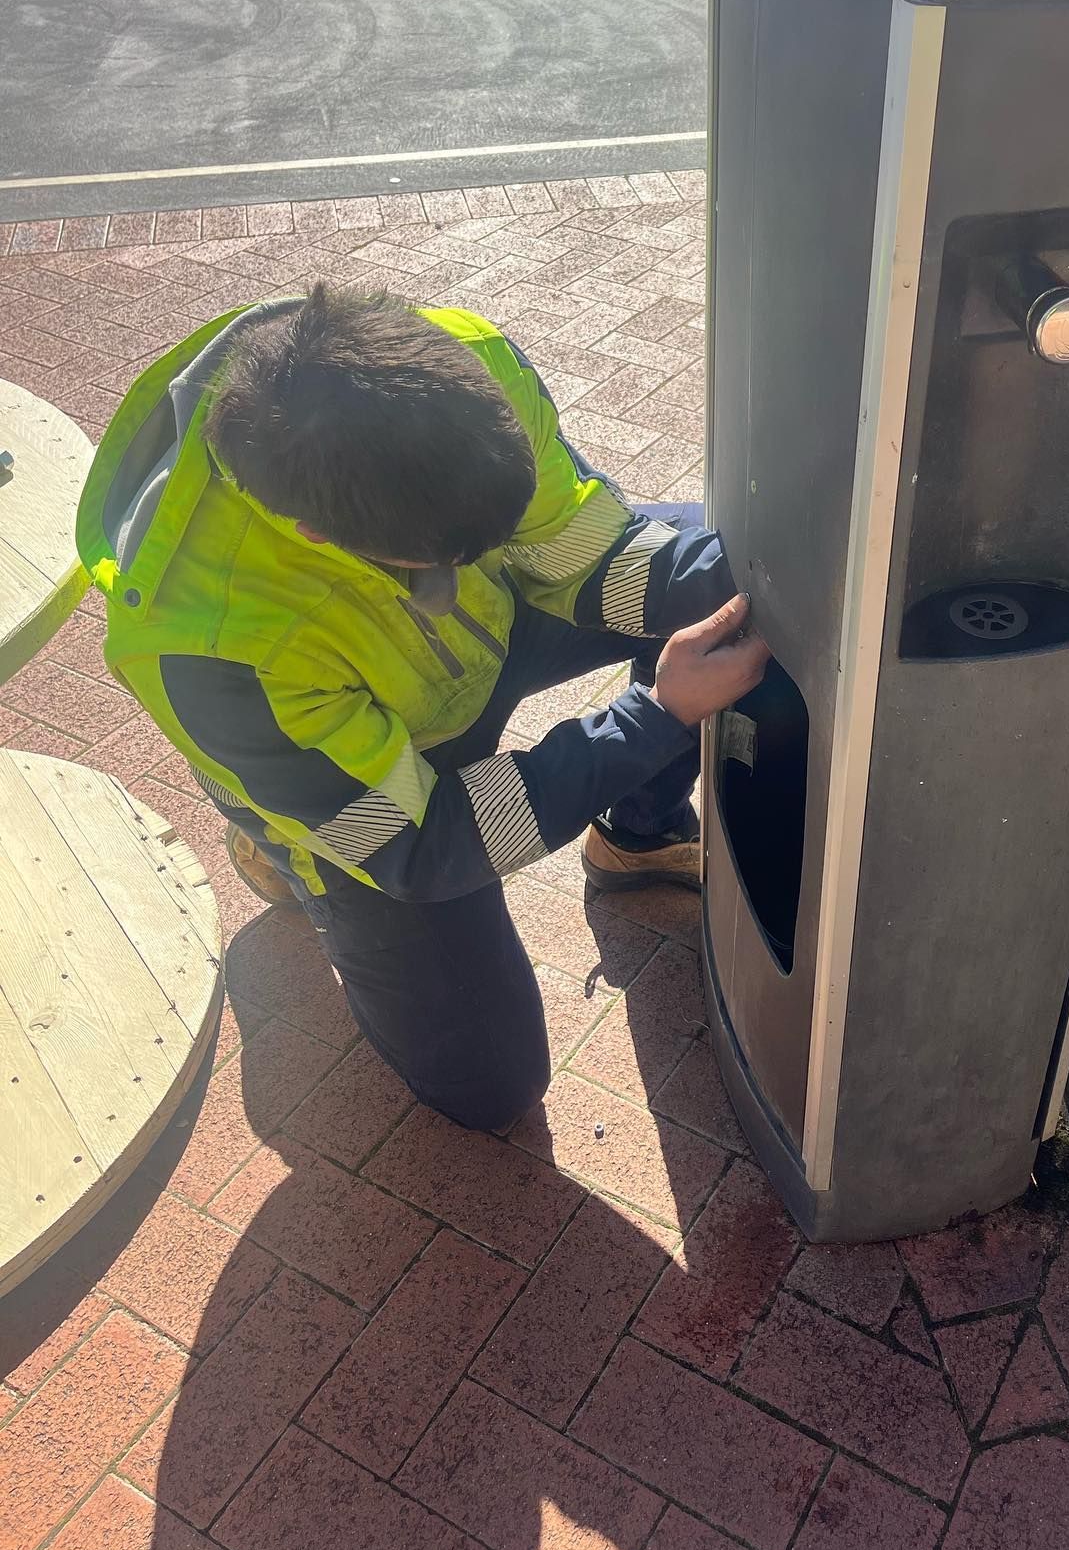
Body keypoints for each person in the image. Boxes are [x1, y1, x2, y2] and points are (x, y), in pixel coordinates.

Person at [76, 283, 768, 1131]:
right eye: (448, 561)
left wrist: (754, 578)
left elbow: (582, 548)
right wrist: (654, 718)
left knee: (719, 582)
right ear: (320, 535)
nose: (480, 560)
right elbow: (422, 843)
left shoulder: (463, 361)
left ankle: (638, 837)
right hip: (363, 774)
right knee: (492, 1086)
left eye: (495, 538)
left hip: (482, 635)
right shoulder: (212, 648)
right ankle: (286, 843)